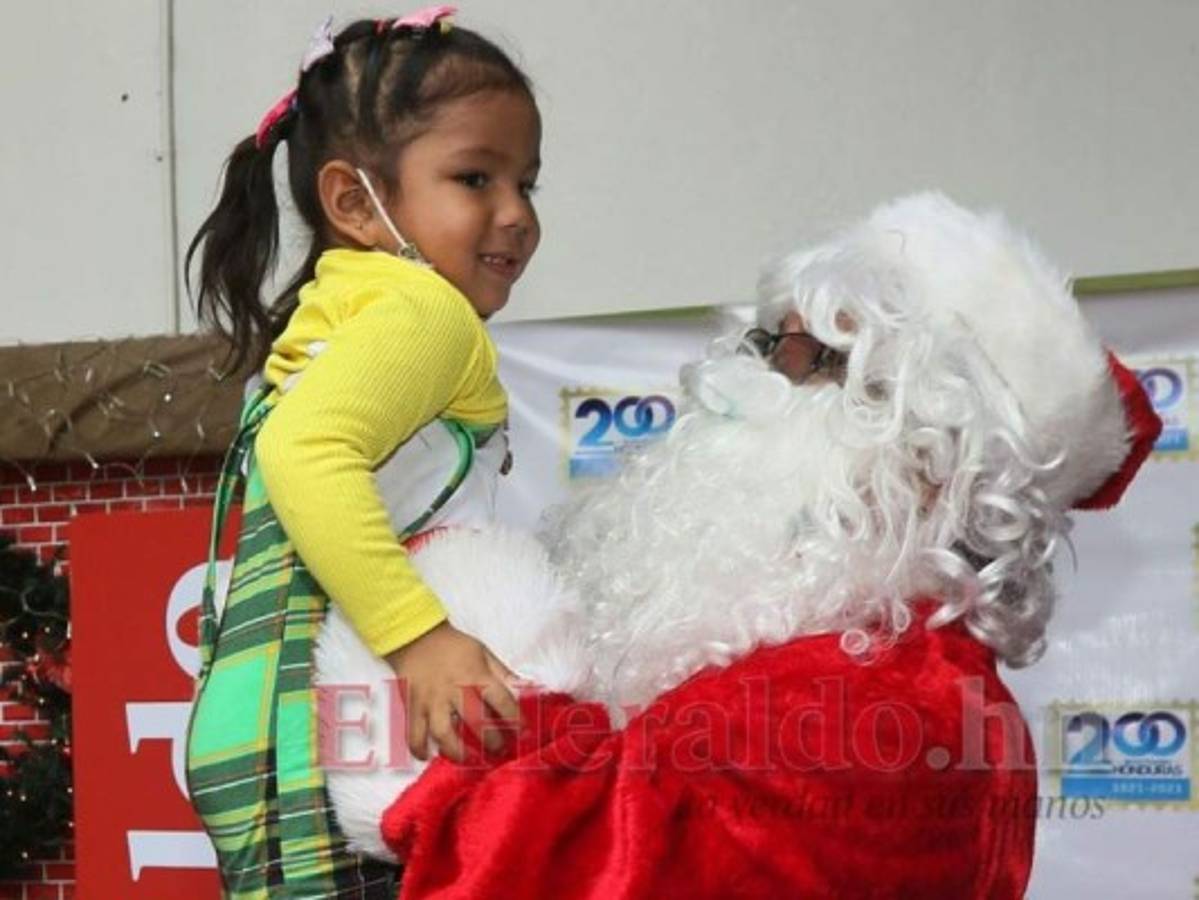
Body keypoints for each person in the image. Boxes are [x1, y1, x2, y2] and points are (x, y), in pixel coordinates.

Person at [317, 193, 1161, 898]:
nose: (747, 379)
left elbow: (586, 870)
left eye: (812, 359)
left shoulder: (890, 708)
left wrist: (447, 654)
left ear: (937, 460)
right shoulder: (801, 655)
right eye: (765, 342)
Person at [182, 7, 539, 897]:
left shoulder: (329, 316)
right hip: (345, 743)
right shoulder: (423, 311)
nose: (516, 215)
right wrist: (420, 638)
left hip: (261, 729)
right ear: (353, 201)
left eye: (527, 182)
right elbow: (308, 453)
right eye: (474, 177)